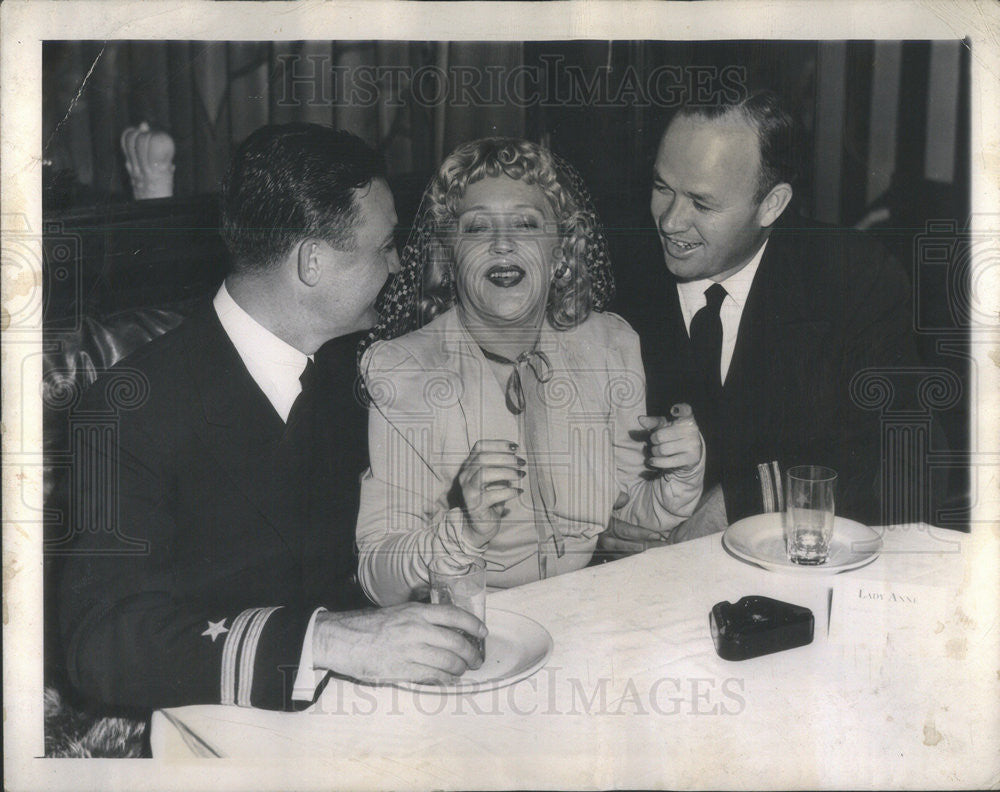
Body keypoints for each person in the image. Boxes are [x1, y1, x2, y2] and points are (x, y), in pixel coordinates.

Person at [58, 124, 487, 713]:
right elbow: (102, 649)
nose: (395, 268)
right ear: (312, 262)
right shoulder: (129, 408)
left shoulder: (355, 373)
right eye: (384, 246)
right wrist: (325, 640)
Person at [355, 137, 705, 606]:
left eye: (526, 223)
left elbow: (629, 515)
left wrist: (678, 478)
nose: (502, 243)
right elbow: (378, 575)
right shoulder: (403, 371)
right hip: (471, 627)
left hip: (585, 615)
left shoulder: (608, 346)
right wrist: (465, 528)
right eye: (477, 229)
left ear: (560, 249)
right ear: (448, 253)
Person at [615, 90, 925, 550]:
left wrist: (733, 507)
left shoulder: (853, 279)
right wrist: (590, 529)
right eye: (663, 189)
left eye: (702, 203)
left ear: (772, 205)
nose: (671, 222)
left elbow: (889, 458)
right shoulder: (613, 276)